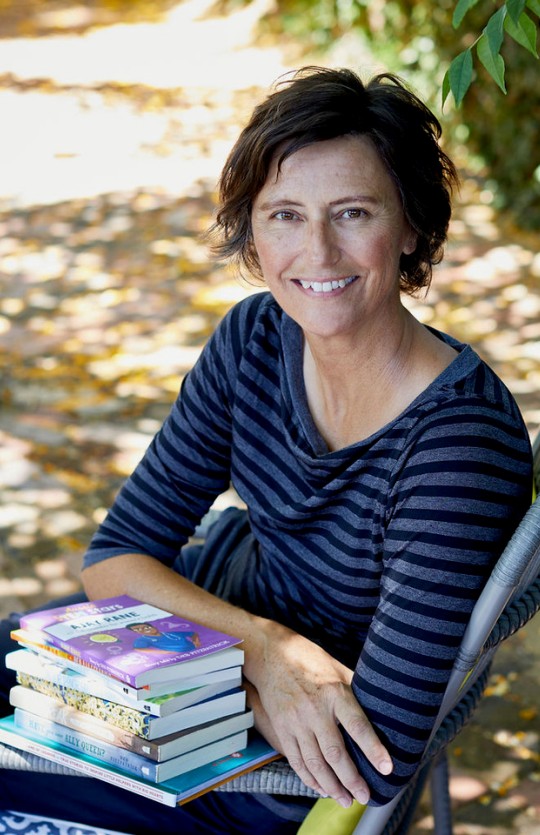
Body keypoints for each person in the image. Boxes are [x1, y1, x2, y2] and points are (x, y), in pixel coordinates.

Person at [0, 67, 532, 834]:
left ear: (412, 225)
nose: (316, 251)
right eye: (285, 215)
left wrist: (248, 686)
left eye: (352, 212)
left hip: (258, 774)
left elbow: (370, 751)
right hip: (198, 656)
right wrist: (263, 655)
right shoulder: (255, 339)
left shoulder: (455, 447)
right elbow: (115, 556)